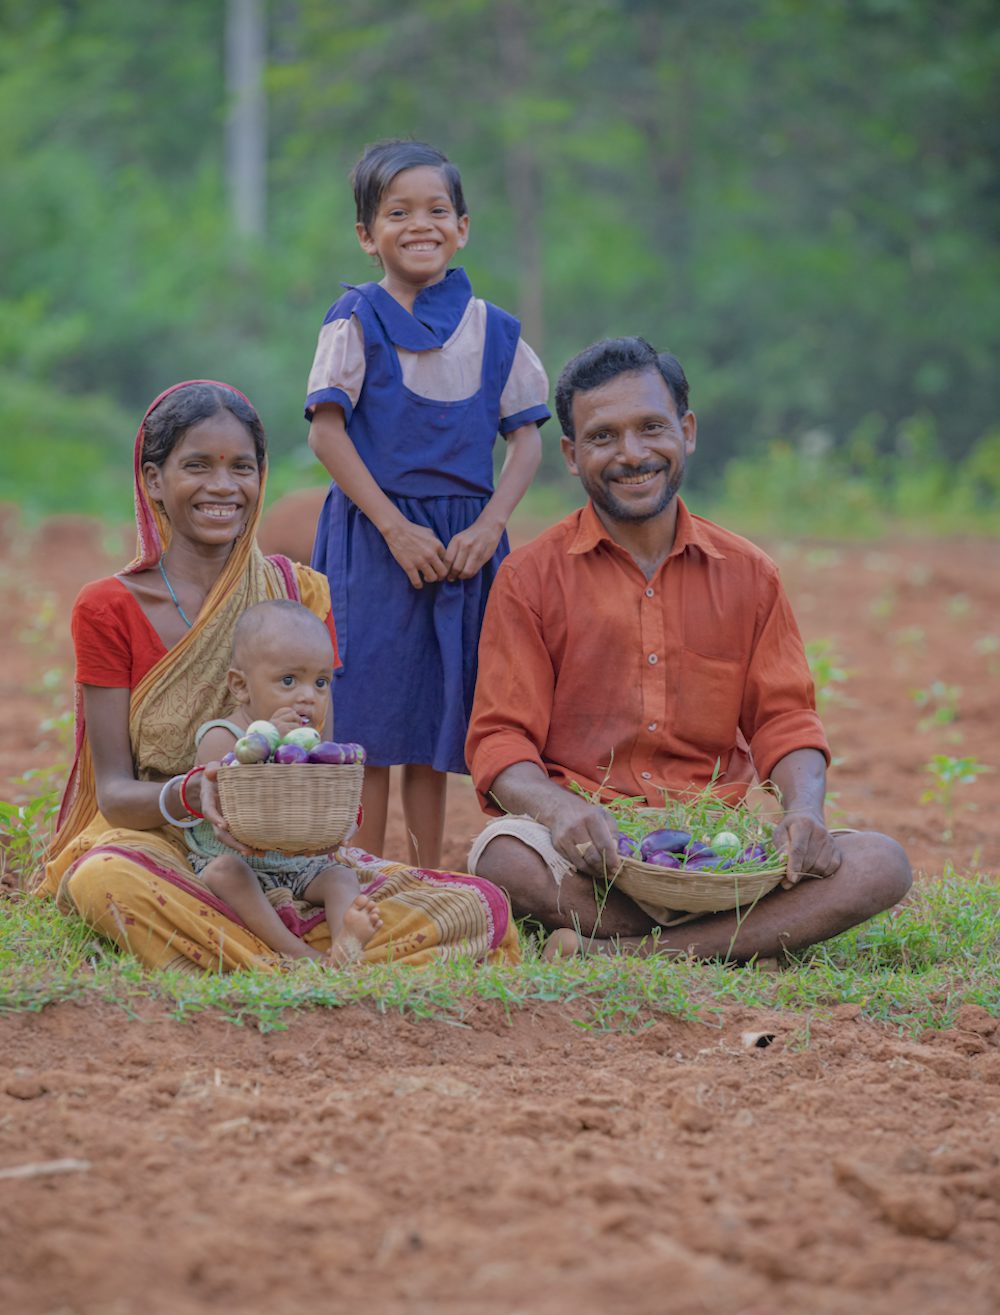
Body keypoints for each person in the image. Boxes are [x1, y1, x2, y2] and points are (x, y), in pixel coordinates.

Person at [35, 380, 520, 970]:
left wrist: (314, 814)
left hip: (289, 852)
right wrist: (190, 793)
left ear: (261, 478)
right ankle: (303, 956)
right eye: (198, 466)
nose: (223, 486)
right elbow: (114, 795)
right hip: (165, 844)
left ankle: (251, 949)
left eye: (242, 467)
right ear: (154, 481)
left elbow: (314, 750)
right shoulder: (107, 606)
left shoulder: (298, 595)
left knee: (476, 903)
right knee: (107, 880)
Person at [465, 337, 912, 960]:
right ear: (570, 454)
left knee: (881, 864)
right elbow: (500, 740)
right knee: (503, 858)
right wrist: (560, 810)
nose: (632, 454)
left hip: (720, 852)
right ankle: (738, 943)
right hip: (594, 855)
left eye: (651, 427)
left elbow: (785, 720)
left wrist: (804, 812)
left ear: (688, 431)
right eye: (603, 437)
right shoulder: (530, 578)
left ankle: (647, 953)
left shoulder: (750, 574)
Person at [304, 138, 550, 869]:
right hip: (374, 542)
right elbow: (326, 434)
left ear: (463, 226)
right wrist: (394, 526)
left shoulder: (495, 329)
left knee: (437, 717)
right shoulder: (354, 320)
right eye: (397, 211)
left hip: (465, 548)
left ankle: (426, 877)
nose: (420, 224)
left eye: (437, 209)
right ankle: (361, 878)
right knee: (370, 714)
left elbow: (528, 442)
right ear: (365, 234)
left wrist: (489, 527)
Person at [185, 599, 383, 965]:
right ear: (241, 686)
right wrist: (268, 739)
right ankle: (299, 953)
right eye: (289, 680)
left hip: (297, 865)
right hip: (235, 860)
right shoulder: (221, 734)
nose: (308, 695)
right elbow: (229, 788)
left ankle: (345, 946)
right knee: (225, 874)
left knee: (341, 876)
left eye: (321, 682)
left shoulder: (309, 747)